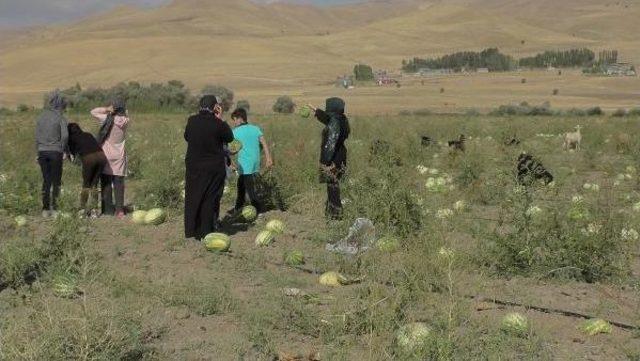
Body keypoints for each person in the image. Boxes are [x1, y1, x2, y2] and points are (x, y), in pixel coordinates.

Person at [184, 95, 234, 240]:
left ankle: (191, 231)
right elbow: (229, 137)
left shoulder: (192, 121)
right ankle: (206, 231)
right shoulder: (218, 124)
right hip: (213, 168)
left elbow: (187, 136)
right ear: (215, 107)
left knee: (193, 197)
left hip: (194, 166)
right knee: (209, 199)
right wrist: (220, 118)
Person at [308, 97, 350, 219]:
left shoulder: (335, 123)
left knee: (332, 186)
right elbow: (328, 119)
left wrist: (325, 162)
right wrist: (316, 110)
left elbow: (330, 144)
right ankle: (334, 212)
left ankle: (335, 215)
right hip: (340, 155)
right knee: (334, 185)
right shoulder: (341, 119)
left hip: (333, 158)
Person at [90, 100, 129, 219]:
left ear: (114, 109)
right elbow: (126, 113)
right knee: (119, 183)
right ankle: (119, 210)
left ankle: (107, 209)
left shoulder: (106, 119)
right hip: (119, 155)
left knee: (106, 181)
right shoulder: (126, 121)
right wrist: (122, 111)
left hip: (106, 154)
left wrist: (107, 109)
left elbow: (93, 112)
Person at [230, 108, 273, 213]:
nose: (234, 122)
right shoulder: (255, 128)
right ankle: (238, 207)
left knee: (251, 191)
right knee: (241, 185)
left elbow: (231, 150)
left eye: (234, 120)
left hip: (245, 166)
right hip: (255, 164)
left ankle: (259, 211)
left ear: (238, 119)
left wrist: (230, 161)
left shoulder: (234, 132)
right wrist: (268, 158)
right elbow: (264, 143)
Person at [35, 90, 69, 217]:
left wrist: (37, 152)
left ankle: (45, 209)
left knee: (46, 180)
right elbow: (65, 135)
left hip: (42, 152)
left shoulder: (41, 117)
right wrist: (63, 148)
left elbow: (37, 137)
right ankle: (54, 209)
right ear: (61, 105)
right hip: (56, 152)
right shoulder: (60, 117)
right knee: (56, 181)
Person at [67, 123, 108, 218]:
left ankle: (82, 210)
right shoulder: (88, 134)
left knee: (86, 184)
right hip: (101, 156)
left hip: (89, 158)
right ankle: (94, 211)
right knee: (94, 184)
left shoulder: (71, 138)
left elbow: (74, 155)